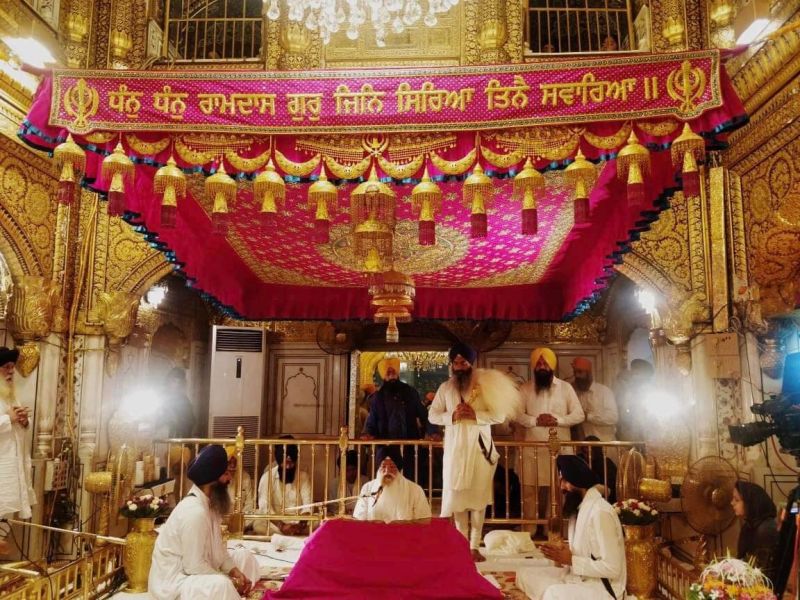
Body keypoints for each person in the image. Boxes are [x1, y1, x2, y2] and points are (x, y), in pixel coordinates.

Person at [428, 342, 519, 562]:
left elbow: (499, 416)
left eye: (463, 362)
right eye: (456, 363)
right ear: (451, 364)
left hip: (480, 452)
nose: (459, 366)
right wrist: (452, 417)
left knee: (478, 499)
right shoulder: (445, 388)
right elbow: (432, 416)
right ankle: (461, 545)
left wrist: (475, 416)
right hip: (455, 452)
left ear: (470, 363)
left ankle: (474, 546)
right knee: (458, 499)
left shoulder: (485, 385)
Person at [148, 444, 259, 600]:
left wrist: (235, 572)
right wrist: (229, 581)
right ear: (213, 480)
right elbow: (193, 566)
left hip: (196, 572)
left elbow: (219, 551)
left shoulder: (209, 504)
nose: (229, 479)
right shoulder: (194, 512)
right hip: (175, 584)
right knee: (222, 585)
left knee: (244, 556)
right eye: (226, 474)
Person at [516, 455, 626, 600]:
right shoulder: (579, 509)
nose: (562, 487)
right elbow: (584, 552)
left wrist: (571, 560)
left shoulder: (600, 513)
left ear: (578, 481)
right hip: (578, 578)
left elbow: (613, 568)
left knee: (552, 594)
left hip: (603, 588)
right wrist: (562, 553)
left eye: (565, 481)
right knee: (524, 574)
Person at [517, 348, 584, 535]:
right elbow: (516, 414)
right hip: (533, 449)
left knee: (558, 491)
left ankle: (552, 531)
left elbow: (579, 414)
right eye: (538, 363)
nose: (542, 366)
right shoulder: (525, 388)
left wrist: (558, 420)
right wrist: (535, 420)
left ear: (552, 365)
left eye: (545, 363)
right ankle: (528, 531)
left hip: (559, 448)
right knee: (529, 492)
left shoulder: (565, 388)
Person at [361, 357, 439, 484]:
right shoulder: (377, 397)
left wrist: (432, 431)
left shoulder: (410, 392)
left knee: (409, 483)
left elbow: (424, 415)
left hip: (409, 448)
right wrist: (367, 434)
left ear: (398, 372)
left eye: (393, 370)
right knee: (386, 483)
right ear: (383, 374)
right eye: (388, 371)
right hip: (385, 449)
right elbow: (372, 420)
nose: (391, 373)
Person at [0, 347, 34, 556]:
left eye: (12, 367)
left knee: (7, 510)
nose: (11, 371)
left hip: (12, 464)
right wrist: (8, 419)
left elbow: (18, 423)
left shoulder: (10, 395)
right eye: (6, 367)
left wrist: (23, 420)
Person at [353, 445, 431, 522]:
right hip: (374, 533)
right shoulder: (367, 488)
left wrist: (403, 524)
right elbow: (359, 520)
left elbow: (425, 520)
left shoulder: (415, 490)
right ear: (378, 468)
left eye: (392, 467)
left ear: (398, 468)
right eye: (383, 466)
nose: (387, 471)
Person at [256, 437, 312, 535]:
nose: (288, 467)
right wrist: (281, 525)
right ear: (279, 461)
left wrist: (301, 524)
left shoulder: (303, 476)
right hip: (276, 523)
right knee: (258, 525)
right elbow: (265, 507)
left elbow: (308, 505)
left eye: (291, 463)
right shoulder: (267, 477)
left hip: (298, 522)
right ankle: (290, 533)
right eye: (285, 463)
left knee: (318, 523)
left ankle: (293, 532)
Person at [731, 480, 778, 581]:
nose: (732, 503)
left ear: (750, 502)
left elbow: (763, 572)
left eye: (737, 499)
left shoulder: (766, 529)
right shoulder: (748, 526)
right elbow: (742, 560)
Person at [570, 358, 618, 442]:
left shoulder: (604, 391)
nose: (577, 376)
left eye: (580, 372)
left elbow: (613, 417)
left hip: (604, 444)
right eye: (575, 372)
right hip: (582, 446)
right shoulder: (572, 392)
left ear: (589, 374)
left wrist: (588, 417)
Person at [577, 436, 617, 504]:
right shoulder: (581, 460)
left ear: (596, 450)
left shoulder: (606, 463)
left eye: (589, 451)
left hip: (604, 499)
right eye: (584, 452)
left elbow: (610, 486)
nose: (586, 455)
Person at [225, 446, 255, 531]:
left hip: (241, 519)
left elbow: (250, 503)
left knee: (257, 513)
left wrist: (240, 521)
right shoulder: (220, 476)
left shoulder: (245, 477)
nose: (232, 466)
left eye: (235, 462)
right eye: (229, 462)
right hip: (223, 518)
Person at [163, 367, 196, 438]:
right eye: (173, 381)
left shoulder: (184, 400)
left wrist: (176, 420)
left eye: (178, 382)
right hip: (161, 436)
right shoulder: (161, 397)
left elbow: (190, 422)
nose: (175, 385)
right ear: (168, 381)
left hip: (178, 438)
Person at [327, 449, 360, 515]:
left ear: (357, 468)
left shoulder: (365, 481)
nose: (351, 473)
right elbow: (332, 507)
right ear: (341, 470)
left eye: (353, 469)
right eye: (347, 470)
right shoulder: (334, 483)